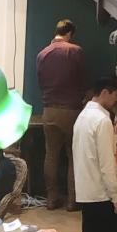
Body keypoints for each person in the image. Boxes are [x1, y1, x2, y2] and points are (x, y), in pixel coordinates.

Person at [72, 73, 117, 232]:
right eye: (116, 94)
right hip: (102, 196)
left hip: (86, 192)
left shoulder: (83, 117)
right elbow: (107, 165)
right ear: (105, 92)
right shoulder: (103, 121)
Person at [36, 19, 88, 210]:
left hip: (49, 110)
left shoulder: (42, 54)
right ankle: (73, 201)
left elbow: (40, 82)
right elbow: (82, 79)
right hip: (72, 111)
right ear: (70, 33)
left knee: (51, 156)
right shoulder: (75, 51)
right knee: (73, 156)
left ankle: (51, 198)